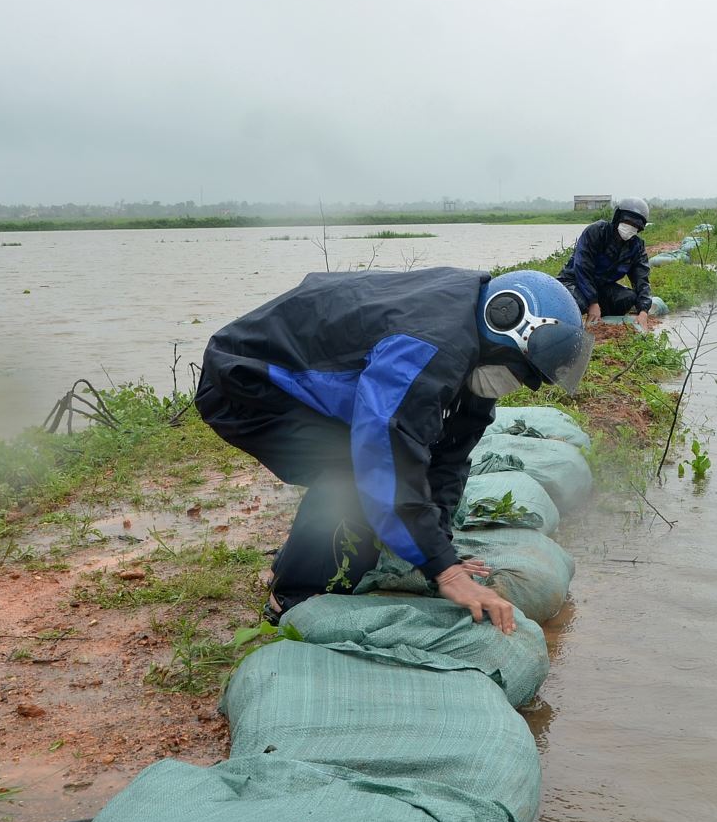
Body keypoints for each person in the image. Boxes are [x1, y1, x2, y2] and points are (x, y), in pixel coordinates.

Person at [193, 267, 592, 634]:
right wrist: (446, 573)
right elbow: (385, 453)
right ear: (505, 321)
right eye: (522, 373)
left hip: (316, 387)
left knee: (391, 470)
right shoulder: (428, 346)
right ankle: (293, 597)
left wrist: (441, 549)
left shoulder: (475, 349)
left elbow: (450, 455)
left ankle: (301, 563)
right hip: (246, 384)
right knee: (354, 474)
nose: (518, 384)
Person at [557, 196, 653, 328]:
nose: (630, 227)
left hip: (602, 286)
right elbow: (582, 268)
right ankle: (573, 322)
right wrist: (593, 302)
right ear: (617, 218)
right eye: (627, 222)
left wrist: (643, 311)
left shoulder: (636, 247)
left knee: (628, 297)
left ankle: (602, 320)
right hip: (574, 281)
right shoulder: (596, 232)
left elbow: (642, 279)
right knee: (579, 302)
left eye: (635, 225)